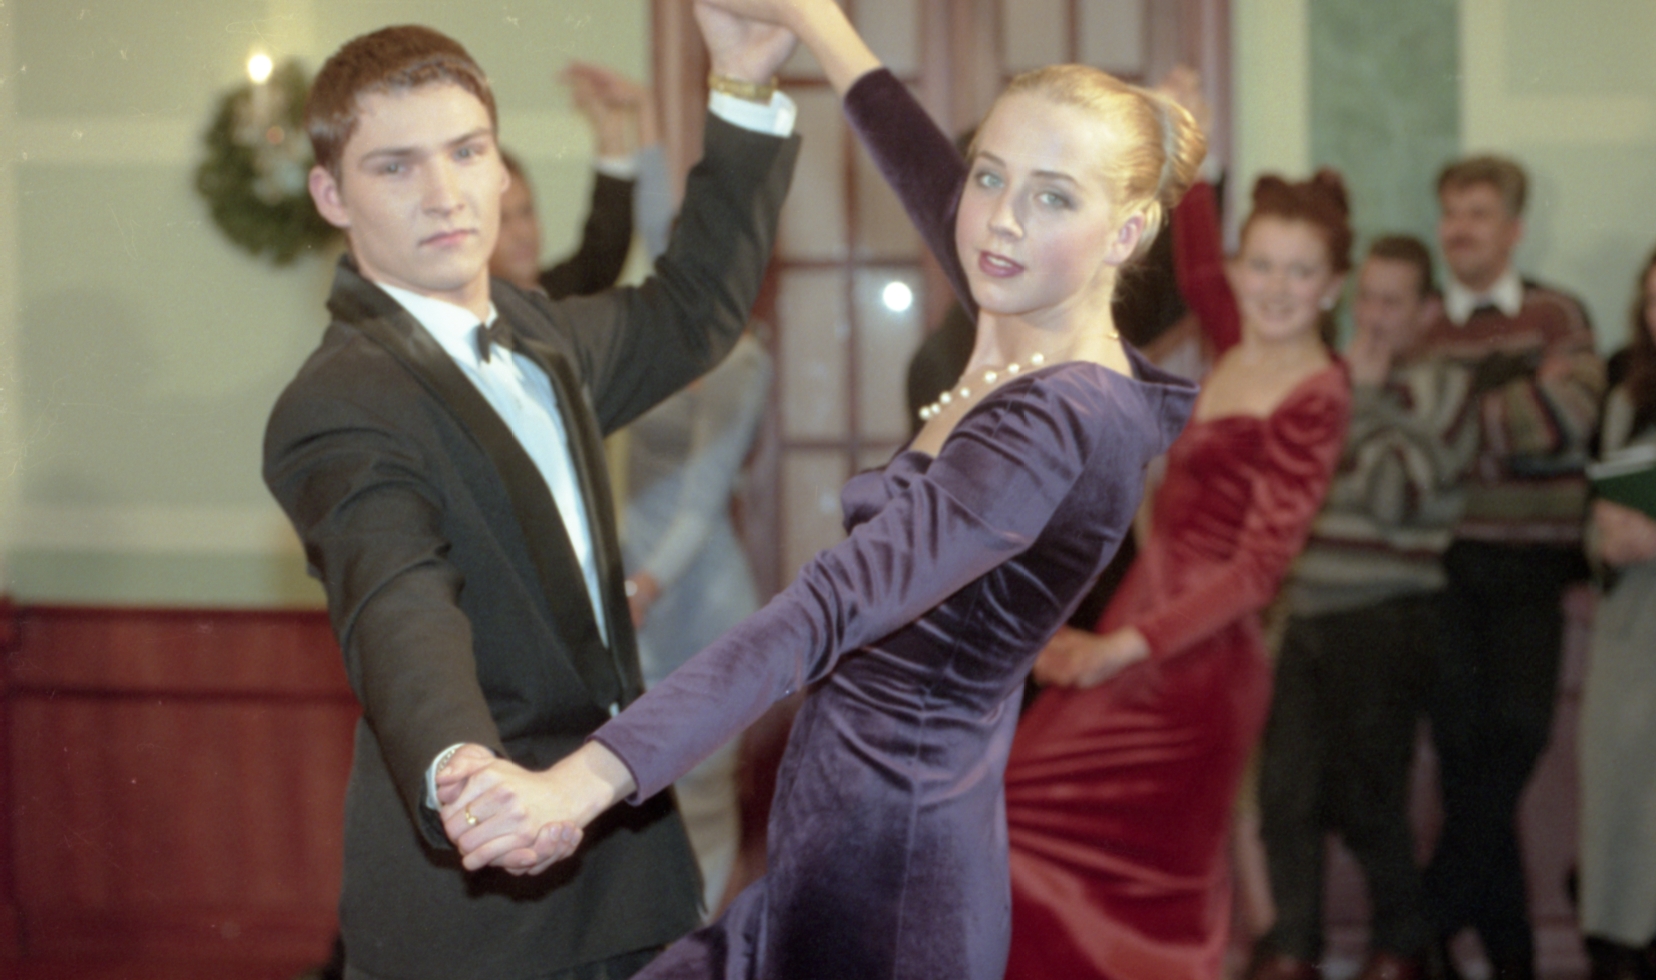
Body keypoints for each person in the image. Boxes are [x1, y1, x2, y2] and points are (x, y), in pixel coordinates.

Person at [434, 0, 1205, 976]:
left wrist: (580, 782)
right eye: (990, 174)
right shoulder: (1023, 311)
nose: (1002, 217)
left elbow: (829, 606)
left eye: (1054, 197)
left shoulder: (1063, 417)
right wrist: (809, 25)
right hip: (838, 841)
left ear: (1127, 232)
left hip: (891, 884)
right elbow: (921, 165)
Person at [261, 13, 801, 979]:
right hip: (479, 904)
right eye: (395, 166)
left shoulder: (541, 334)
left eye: (467, 151)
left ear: (501, 169)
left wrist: (744, 86)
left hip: (628, 872)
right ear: (331, 195)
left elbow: (694, 310)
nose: (443, 193)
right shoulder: (340, 402)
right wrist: (463, 776)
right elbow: (399, 603)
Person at [1000, 167, 1355, 980]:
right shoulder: (1237, 338)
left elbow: (1258, 572)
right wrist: (1186, 150)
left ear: (1333, 287)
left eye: (1301, 272)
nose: (1276, 288)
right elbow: (1194, 269)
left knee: (1130, 873)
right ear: (1238, 268)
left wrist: (1116, 648)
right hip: (1144, 623)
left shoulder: (1317, 393)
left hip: (1198, 662)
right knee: (1018, 820)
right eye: (1260, 265)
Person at [1250, 236, 1477, 980]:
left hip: (1385, 615)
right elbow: (1290, 493)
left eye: (1392, 302)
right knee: (1284, 793)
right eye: (1367, 299)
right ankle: (1294, 949)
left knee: (1369, 796)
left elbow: (1392, 499)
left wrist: (1369, 399)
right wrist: (1354, 407)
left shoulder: (1444, 390)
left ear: (1426, 312)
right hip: (1304, 612)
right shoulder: (1324, 383)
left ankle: (1403, 946)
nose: (1374, 317)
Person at [1414, 155, 1605, 980]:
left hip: (1534, 566)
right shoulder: (1420, 324)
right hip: (1445, 569)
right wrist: (1512, 406)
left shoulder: (1557, 314)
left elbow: (1568, 419)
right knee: (1463, 761)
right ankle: (1510, 959)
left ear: (1515, 229)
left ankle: (1422, 922)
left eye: (1479, 213)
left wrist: (1460, 419)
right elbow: (1410, 445)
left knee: (1520, 735)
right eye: (1452, 213)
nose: (1461, 229)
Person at [621, 331, 773, 914]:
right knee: (641, 801)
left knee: (702, 803)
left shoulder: (740, 360)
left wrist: (643, 585)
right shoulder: (645, 335)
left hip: (698, 606)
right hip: (637, 603)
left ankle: (699, 947)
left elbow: (701, 498)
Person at [1577, 248, 1656, 980]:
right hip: (1631, 628)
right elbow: (1596, 505)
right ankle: (1621, 946)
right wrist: (1605, 541)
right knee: (1622, 805)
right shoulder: (1628, 396)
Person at [491, 62, 669, 299]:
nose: (521, 233)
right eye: (502, 220)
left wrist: (610, 129)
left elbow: (602, 254)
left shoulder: (557, 295)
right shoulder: (465, 314)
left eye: (526, 212)